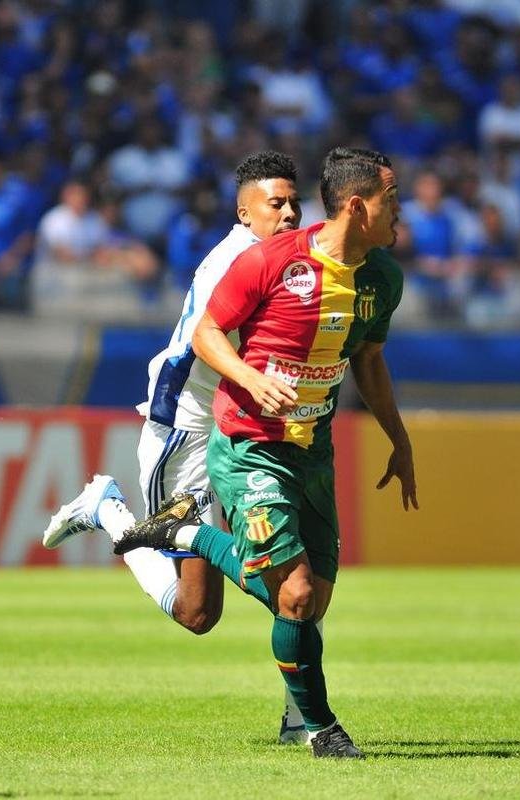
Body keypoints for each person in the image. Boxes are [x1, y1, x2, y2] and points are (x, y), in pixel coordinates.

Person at [112, 147, 418, 758]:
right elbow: (205, 334)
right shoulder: (268, 262)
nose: (401, 215)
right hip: (245, 444)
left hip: (313, 450)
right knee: (294, 593)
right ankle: (319, 728)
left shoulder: (382, 278)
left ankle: (195, 537)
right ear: (358, 207)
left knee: (309, 602)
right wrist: (252, 380)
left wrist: (399, 438)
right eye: (392, 201)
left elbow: (370, 361)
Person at [41, 151, 311, 741]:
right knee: (198, 613)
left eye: (294, 201)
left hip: (245, 430)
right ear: (244, 211)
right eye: (276, 203)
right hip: (188, 431)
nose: (289, 213)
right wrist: (174, 425)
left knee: (295, 577)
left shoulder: (291, 255)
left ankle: (300, 717)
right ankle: (106, 510)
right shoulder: (231, 260)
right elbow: (191, 349)